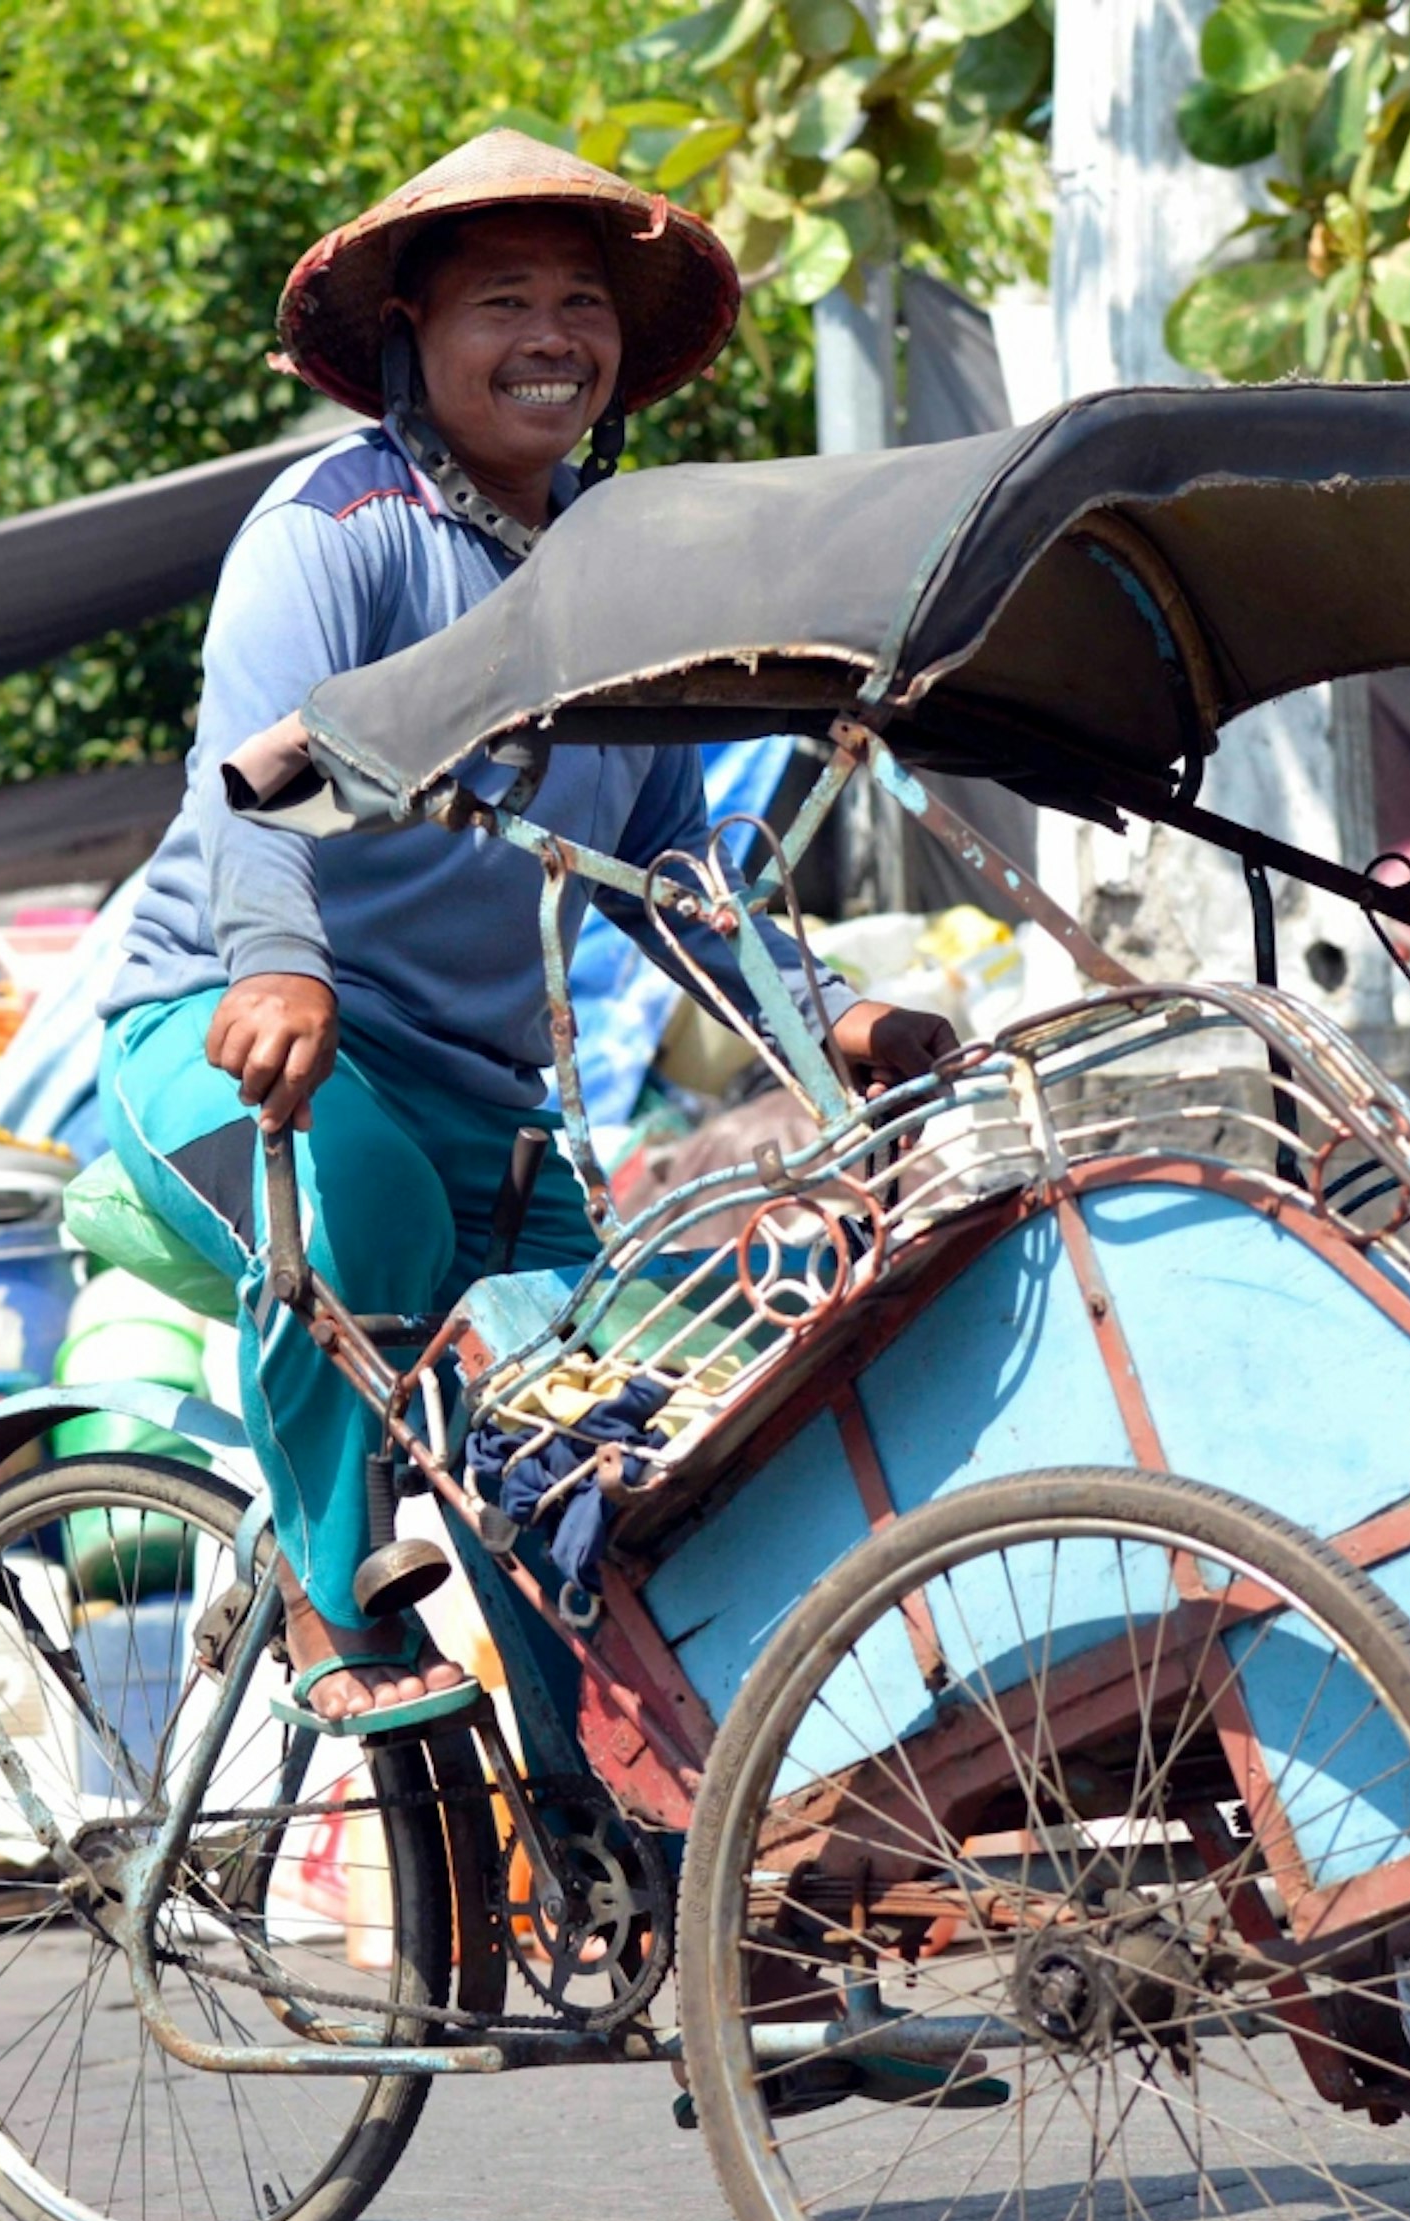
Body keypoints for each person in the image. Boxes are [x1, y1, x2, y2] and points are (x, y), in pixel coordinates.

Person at [98, 133, 953, 1727]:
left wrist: (828, 1013)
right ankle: (322, 1592)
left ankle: (620, 1831)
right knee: (373, 1224)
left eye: (582, 302)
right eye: (504, 300)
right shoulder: (331, 527)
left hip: (487, 1112)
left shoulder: (624, 588)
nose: (552, 336)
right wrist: (280, 960)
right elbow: (251, 777)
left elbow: (680, 868)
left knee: (620, 1425)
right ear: (412, 330)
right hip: (233, 1043)